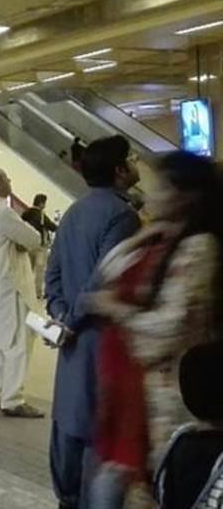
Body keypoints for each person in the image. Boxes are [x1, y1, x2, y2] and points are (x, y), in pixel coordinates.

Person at [86, 152, 221, 506]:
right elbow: (109, 270)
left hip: (175, 401)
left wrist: (117, 311)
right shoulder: (164, 242)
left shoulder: (200, 248)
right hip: (145, 397)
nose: (151, 194)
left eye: (160, 186)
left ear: (185, 195)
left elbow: (170, 326)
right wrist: (141, 238)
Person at [45, 135, 142, 509]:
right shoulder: (123, 216)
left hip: (71, 349)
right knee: (100, 441)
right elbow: (105, 278)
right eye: (131, 159)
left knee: (69, 426)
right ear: (119, 171)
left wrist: (59, 315)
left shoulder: (73, 212)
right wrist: (73, 318)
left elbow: (52, 274)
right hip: (103, 343)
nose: (136, 164)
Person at [0, 168, 44, 418]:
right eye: (7, 179)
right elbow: (34, 239)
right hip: (11, 288)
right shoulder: (3, 211)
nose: (10, 181)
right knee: (18, 343)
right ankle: (13, 399)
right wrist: (22, 242)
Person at [22, 194, 59, 299]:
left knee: (28, 269)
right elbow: (51, 226)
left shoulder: (26, 212)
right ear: (41, 203)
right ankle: (38, 293)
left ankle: (26, 292)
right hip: (40, 246)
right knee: (40, 271)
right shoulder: (41, 214)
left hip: (28, 244)